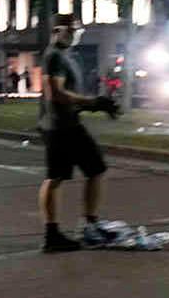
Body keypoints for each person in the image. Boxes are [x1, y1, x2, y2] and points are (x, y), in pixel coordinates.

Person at [37, 15, 121, 252]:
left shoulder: (66, 55)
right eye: (71, 31)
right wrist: (94, 102)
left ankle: (88, 224)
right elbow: (57, 94)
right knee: (57, 178)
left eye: (77, 31)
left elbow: (69, 96)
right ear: (57, 30)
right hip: (59, 126)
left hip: (68, 124)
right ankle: (54, 234)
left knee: (94, 169)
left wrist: (95, 105)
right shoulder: (54, 56)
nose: (74, 35)